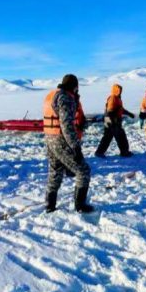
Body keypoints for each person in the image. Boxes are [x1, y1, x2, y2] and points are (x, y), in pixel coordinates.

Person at [42, 74, 94, 213]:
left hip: (49, 138)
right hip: (60, 139)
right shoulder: (65, 97)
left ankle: (49, 205)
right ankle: (80, 205)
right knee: (83, 171)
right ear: (75, 87)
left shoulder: (52, 94)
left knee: (55, 171)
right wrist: (76, 147)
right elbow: (66, 125)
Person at [94, 83, 135, 158]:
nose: (120, 92)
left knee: (109, 136)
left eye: (120, 90)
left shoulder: (117, 98)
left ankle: (100, 152)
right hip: (112, 120)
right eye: (119, 90)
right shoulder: (113, 98)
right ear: (115, 90)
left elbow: (120, 109)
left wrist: (129, 113)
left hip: (111, 120)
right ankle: (124, 152)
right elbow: (110, 110)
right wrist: (113, 121)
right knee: (120, 136)